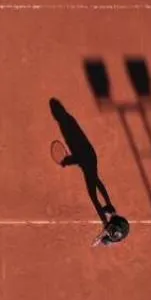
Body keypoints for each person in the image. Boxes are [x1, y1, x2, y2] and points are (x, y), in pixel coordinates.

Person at [49, 97, 130, 246]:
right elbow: (79, 157)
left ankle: (107, 214)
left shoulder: (67, 125)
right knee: (95, 183)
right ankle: (108, 210)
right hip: (87, 157)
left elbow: (79, 157)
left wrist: (68, 161)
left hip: (86, 157)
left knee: (93, 193)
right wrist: (68, 161)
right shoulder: (67, 123)